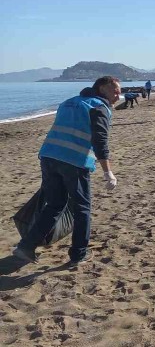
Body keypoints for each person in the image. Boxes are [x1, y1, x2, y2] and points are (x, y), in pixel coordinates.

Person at [12, 76, 121, 265]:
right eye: (116, 91)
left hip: (48, 156)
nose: (119, 95)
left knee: (54, 204)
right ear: (102, 89)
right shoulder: (98, 107)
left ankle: (26, 246)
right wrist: (107, 172)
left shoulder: (68, 102)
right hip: (73, 161)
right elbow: (100, 141)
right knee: (82, 209)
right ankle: (79, 254)